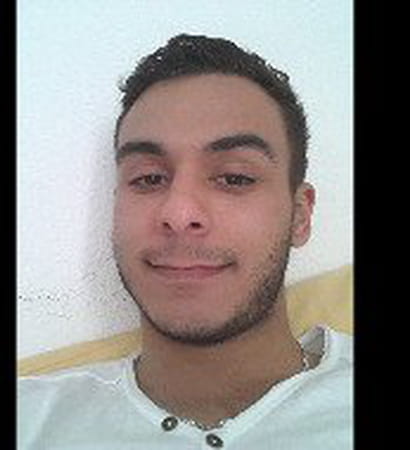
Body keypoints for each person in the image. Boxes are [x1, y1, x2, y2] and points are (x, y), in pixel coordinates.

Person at [18, 33, 353, 449]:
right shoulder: (30, 419)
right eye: (148, 179)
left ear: (300, 215)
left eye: (235, 178)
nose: (178, 214)